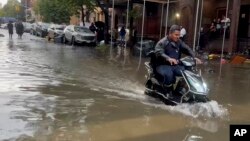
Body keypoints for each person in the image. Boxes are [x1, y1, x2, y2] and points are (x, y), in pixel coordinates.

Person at [155, 25, 202, 98]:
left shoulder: (179, 42)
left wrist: (194, 57)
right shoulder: (162, 42)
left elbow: (187, 49)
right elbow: (159, 52)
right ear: (170, 34)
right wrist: (168, 58)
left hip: (175, 65)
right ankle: (168, 91)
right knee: (169, 74)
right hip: (162, 65)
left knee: (188, 71)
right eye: (176, 35)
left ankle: (182, 89)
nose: (178, 37)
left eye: (179, 35)